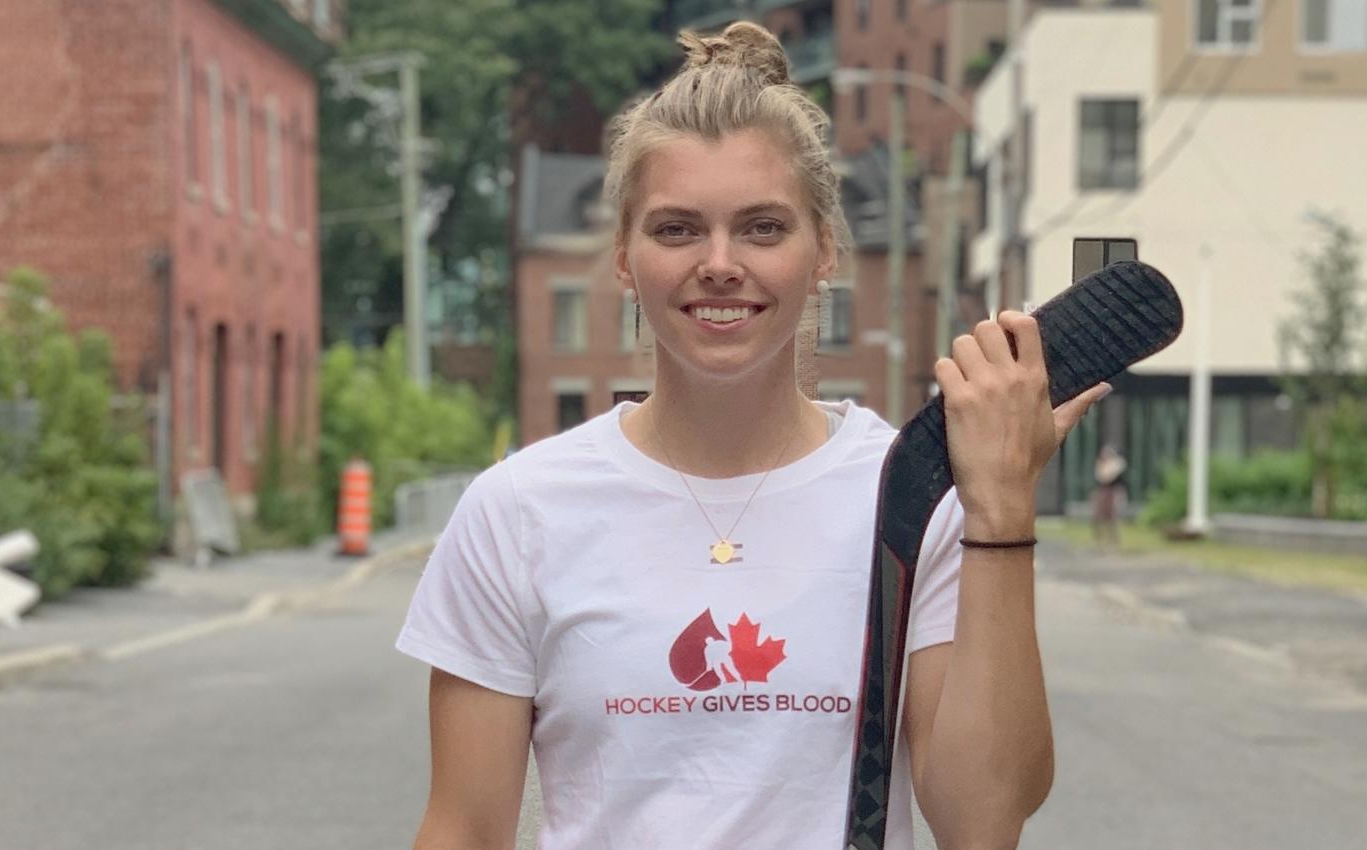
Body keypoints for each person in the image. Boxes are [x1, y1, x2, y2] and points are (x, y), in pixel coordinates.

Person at [396, 22, 1108, 850]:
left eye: (764, 228)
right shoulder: (518, 510)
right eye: (676, 229)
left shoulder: (912, 494)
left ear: (823, 253)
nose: (720, 262)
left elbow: (982, 825)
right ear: (624, 257)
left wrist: (1000, 512)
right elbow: (463, 830)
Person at [1093, 444, 1128, 550]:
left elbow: (1107, 477)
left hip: (1115, 492)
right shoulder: (1101, 464)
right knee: (1098, 518)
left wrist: (1107, 468)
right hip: (1104, 492)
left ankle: (1114, 543)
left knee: (1113, 518)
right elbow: (1100, 477)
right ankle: (1100, 542)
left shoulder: (1119, 463)